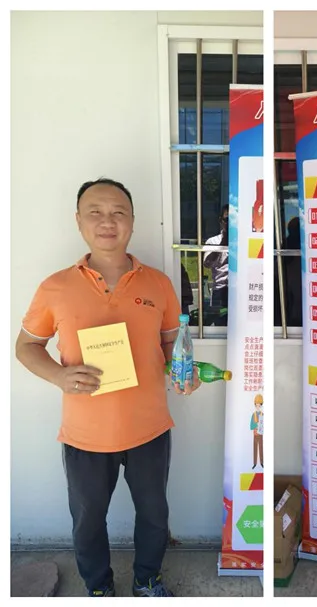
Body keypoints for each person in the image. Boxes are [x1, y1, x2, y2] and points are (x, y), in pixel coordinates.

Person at [15, 178, 202, 597]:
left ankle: (147, 580)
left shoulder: (159, 284)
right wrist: (59, 376)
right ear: (78, 221)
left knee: (154, 515)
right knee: (87, 520)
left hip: (150, 428)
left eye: (118, 212)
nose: (107, 221)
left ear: (132, 221)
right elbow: (26, 346)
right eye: (95, 212)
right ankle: (99, 588)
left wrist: (183, 372)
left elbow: (172, 345)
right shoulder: (55, 287)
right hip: (85, 434)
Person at [203, 205, 229, 325]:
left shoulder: (244, 241)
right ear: (221, 221)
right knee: (220, 325)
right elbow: (207, 263)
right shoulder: (213, 241)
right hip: (220, 289)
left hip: (240, 289)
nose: (229, 224)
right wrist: (222, 244)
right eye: (227, 220)